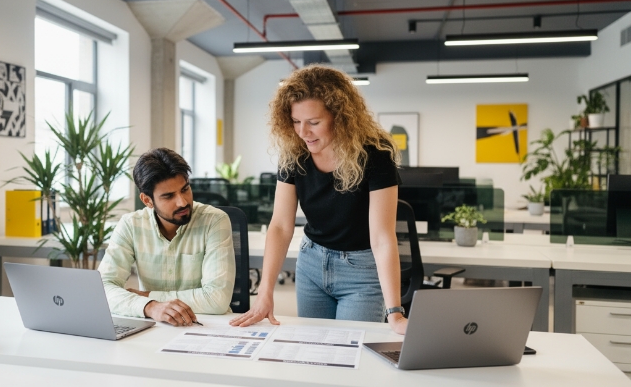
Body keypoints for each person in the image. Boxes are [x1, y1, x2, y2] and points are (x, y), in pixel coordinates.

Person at [230, 65, 408, 335]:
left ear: (340, 117)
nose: (303, 132)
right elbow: (280, 225)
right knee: (313, 351)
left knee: (349, 354)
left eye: (314, 122)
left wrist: (394, 313)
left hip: (360, 271)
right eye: (295, 121)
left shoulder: (375, 155)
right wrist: (265, 292)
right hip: (311, 264)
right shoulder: (294, 154)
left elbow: (382, 237)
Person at [99, 148, 236, 327]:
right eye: (168, 196)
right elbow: (102, 288)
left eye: (185, 189)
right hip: (156, 328)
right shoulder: (131, 225)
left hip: (207, 326)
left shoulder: (214, 221)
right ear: (147, 201)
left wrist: (147, 296)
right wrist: (151, 307)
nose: (183, 202)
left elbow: (216, 299)